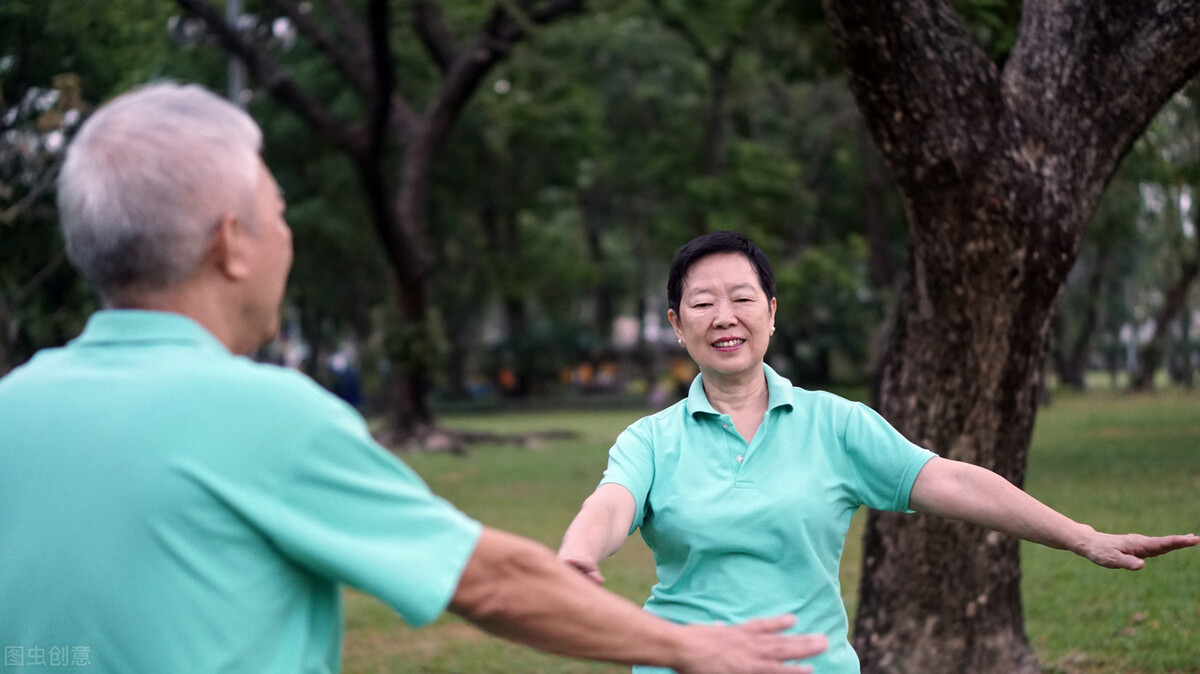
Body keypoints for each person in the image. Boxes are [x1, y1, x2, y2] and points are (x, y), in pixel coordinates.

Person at [0, 84, 829, 673]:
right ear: (231, 244)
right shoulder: (262, 415)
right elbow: (490, 582)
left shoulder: (13, 409)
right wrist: (692, 647)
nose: (287, 236)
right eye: (278, 214)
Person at [556, 230, 1199, 674]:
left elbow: (952, 482)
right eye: (702, 303)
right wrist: (577, 555)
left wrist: (1082, 537)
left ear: (771, 313)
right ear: (677, 324)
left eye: (742, 298)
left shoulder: (837, 425)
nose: (724, 316)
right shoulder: (651, 439)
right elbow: (611, 505)